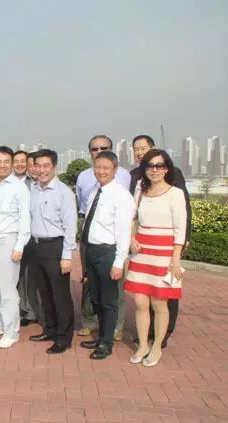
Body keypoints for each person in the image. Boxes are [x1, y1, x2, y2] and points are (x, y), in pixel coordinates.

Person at [125, 150, 186, 367]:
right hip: (141, 252)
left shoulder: (175, 193)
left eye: (159, 166)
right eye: (150, 166)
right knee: (140, 302)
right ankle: (143, 345)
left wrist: (175, 259)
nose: (155, 170)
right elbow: (133, 218)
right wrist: (131, 238)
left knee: (160, 303)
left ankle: (157, 346)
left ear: (167, 168)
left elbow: (180, 229)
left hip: (163, 254)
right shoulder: (140, 191)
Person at [79, 152, 135, 360]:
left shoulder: (121, 196)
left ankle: (106, 342)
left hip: (108, 253)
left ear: (115, 169)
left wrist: (119, 262)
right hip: (91, 251)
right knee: (96, 298)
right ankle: (100, 335)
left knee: (109, 300)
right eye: (98, 167)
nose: (101, 171)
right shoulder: (95, 191)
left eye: (106, 168)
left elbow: (123, 232)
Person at [28, 149, 77, 354]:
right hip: (36, 246)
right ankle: (50, 329)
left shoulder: (64, 192)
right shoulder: (33, 189)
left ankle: (64, 338)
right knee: (45, 293)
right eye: (38, 166)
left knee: (60, 295)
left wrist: (67, 256)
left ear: (54, 167)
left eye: (46, 166)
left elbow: (70, 226)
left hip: (55, 247)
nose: (42, 170)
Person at [0, 147, 30, 349]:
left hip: (8, 242)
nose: (2, 165)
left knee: (8, 289)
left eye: (6, 162)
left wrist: (20, 245)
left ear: (11, 164)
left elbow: (25, 218)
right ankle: (0, 324)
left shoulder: (19, 187)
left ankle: (12, 332)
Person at [18, 151, 42, 327]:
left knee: (37, 277)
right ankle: (27, 310)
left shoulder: (45, 184)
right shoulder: (21, 184)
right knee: (23, 277)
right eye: (30, 165)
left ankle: (38, 310)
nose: (33, 168)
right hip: (23, 237)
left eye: (36, 165)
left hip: (41, 238)